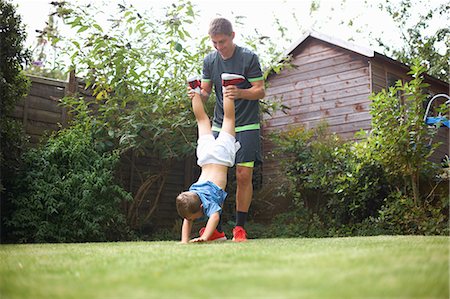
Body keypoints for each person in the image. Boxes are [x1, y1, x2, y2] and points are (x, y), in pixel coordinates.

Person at [191, 17, 265, 241]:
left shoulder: (248, 58)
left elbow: (260, 90)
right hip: (220, 125)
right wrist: (197, 94)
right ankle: (216, 230)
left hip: (247, 125)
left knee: (243, 175)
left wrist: (240, 93)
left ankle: (239, 228)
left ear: (232, 36)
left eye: (222, 42)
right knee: (213, 178)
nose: (218, 47)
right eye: (214, 43)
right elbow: (205, 92)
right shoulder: (210, 61)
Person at [177, 74, 242, 243]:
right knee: (201, 120)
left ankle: (226, 85)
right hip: (205, 156)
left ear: (201, 207)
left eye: (197, 216)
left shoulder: (208, 201)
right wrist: (184, 241)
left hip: (220, 157)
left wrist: (204, 237)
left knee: (228, 119)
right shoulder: (192, 195)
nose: (196, 219)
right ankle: (194, 88)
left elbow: (214, 217)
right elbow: (188, 217)